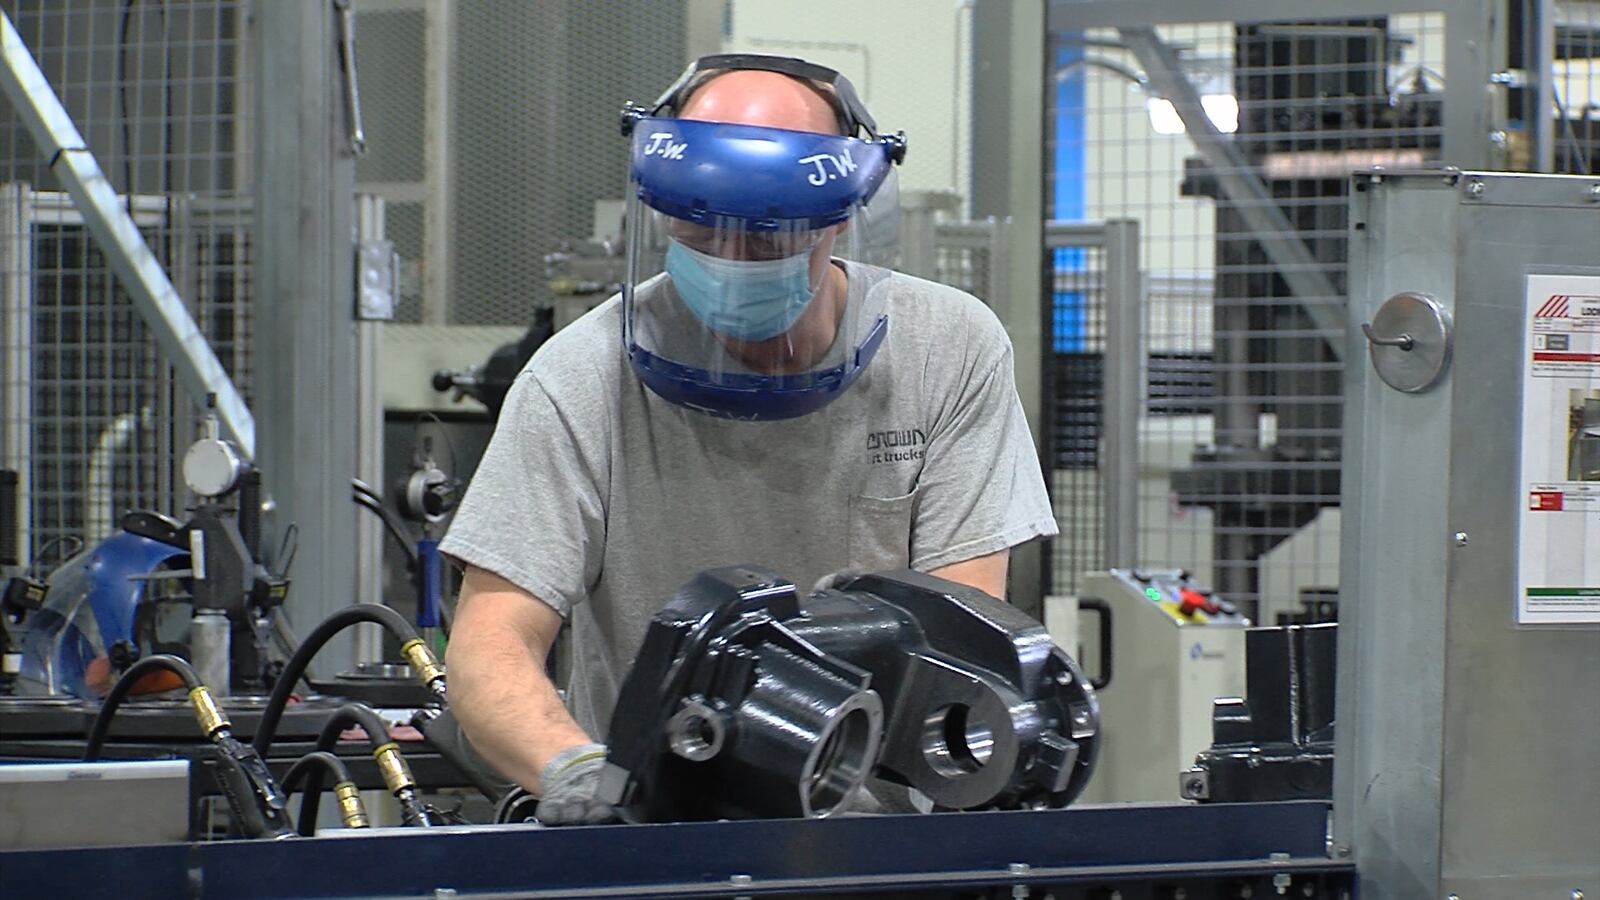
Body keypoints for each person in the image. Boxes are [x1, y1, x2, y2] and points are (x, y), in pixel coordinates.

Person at [439, 54, 1056, 824]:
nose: (730, 262)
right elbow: (488, 648)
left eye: (765, 239)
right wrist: (575, 773)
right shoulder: (577, 377)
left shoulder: (946, 348)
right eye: (701, 230)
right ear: (662, 211)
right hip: (649, 832)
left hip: (876, 842)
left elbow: (961, 628)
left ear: (839, 216)